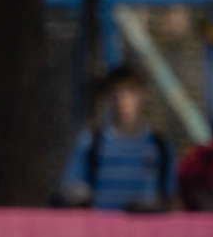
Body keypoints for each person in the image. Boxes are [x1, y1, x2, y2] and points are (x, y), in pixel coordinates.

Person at [56, 65, 175, 211]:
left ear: (143, 95)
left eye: (130, 92)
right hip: (103, 231)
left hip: (147, 232)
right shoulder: (90, 142)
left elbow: (171, 198)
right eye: (115, 93)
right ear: (106, 97)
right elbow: (73, 187)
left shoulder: (160, 145)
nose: (122, 100)